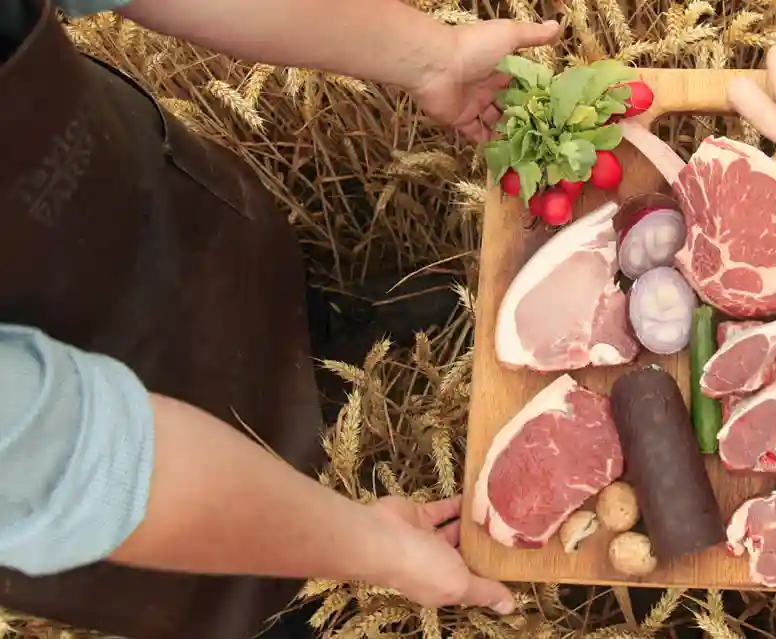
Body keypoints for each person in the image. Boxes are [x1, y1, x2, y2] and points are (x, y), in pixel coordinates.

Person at [0, 0, 560, 637]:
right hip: (92, 495)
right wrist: (375, 550)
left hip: (125, 201)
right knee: (231, 591)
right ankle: (286, 602)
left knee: (245, 288)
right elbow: (86, 469)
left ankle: (315, 336)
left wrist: (431, 55)